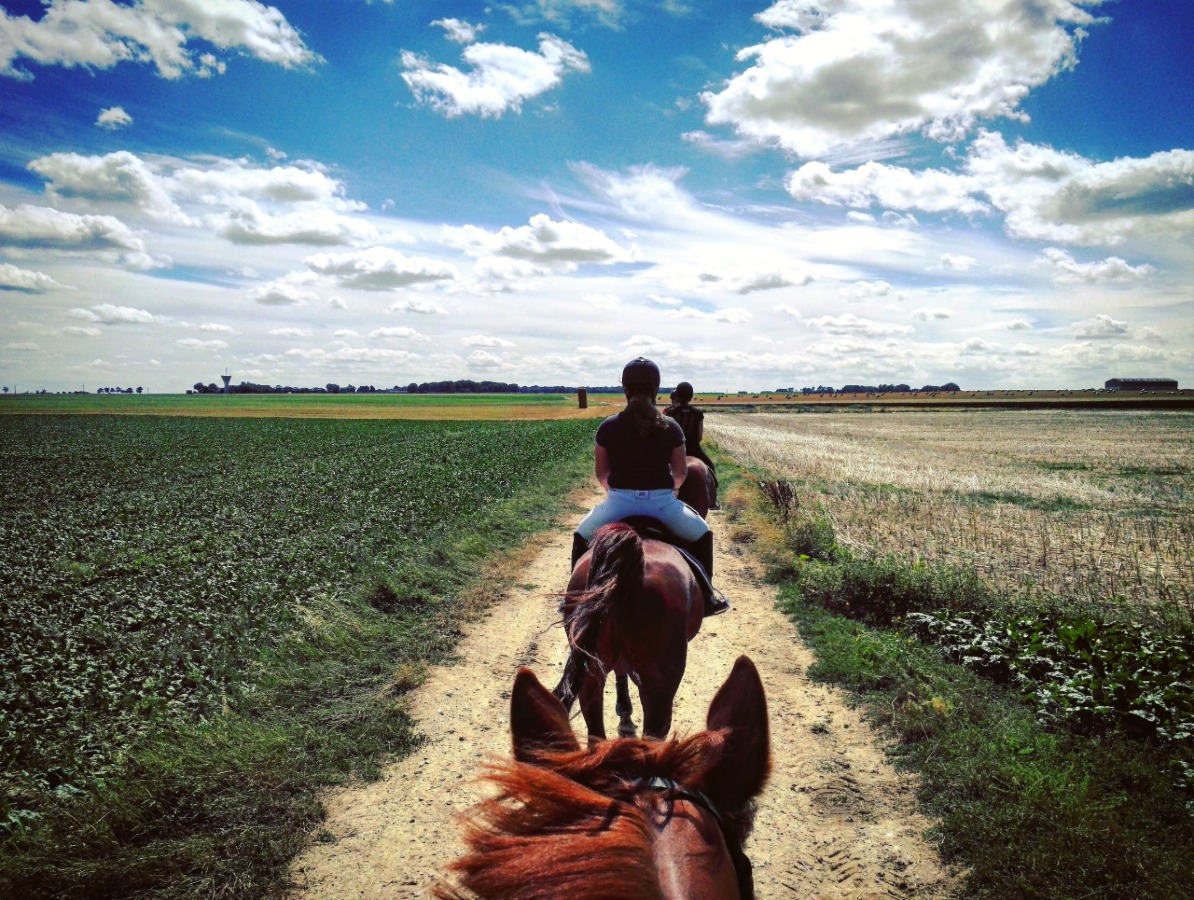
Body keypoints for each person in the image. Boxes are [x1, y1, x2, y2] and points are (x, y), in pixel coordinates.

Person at [573, 358, 730, 616]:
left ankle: (575, 597)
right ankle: (708, 596)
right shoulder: (671, 427)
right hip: (662, 505)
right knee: (703, 533)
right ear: (656, 390)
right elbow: (680, 473)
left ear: (625, 389)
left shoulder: (608, 426)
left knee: (581, 534)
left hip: (618, 504)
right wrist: (670, 493)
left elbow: (602, 474)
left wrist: (617, 495)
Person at [664, 380, 718, 507]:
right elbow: (699, 437)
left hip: (673, 451)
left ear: (677, 395)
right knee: (711, 467)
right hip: (694, 449)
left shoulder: (671, 413)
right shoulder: (698, 413)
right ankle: (714, 500)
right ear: (691, 396)